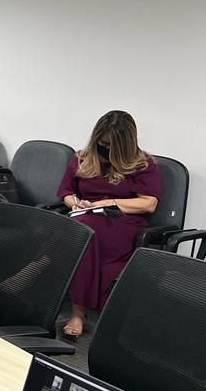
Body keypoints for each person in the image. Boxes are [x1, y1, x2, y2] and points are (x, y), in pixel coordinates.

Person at [57, 110, 160, 339]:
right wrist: (75, 203)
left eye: (112, 145)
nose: (106, 149)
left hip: (122, 223)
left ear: (125, 145)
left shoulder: (143, 164)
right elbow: (65, 191)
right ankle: (49, 292)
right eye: (103, 143)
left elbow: (148, 203)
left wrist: (109, 202)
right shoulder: (81, 157)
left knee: (79, 233)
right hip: (85, 217)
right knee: (77, 228)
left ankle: (76, 312)